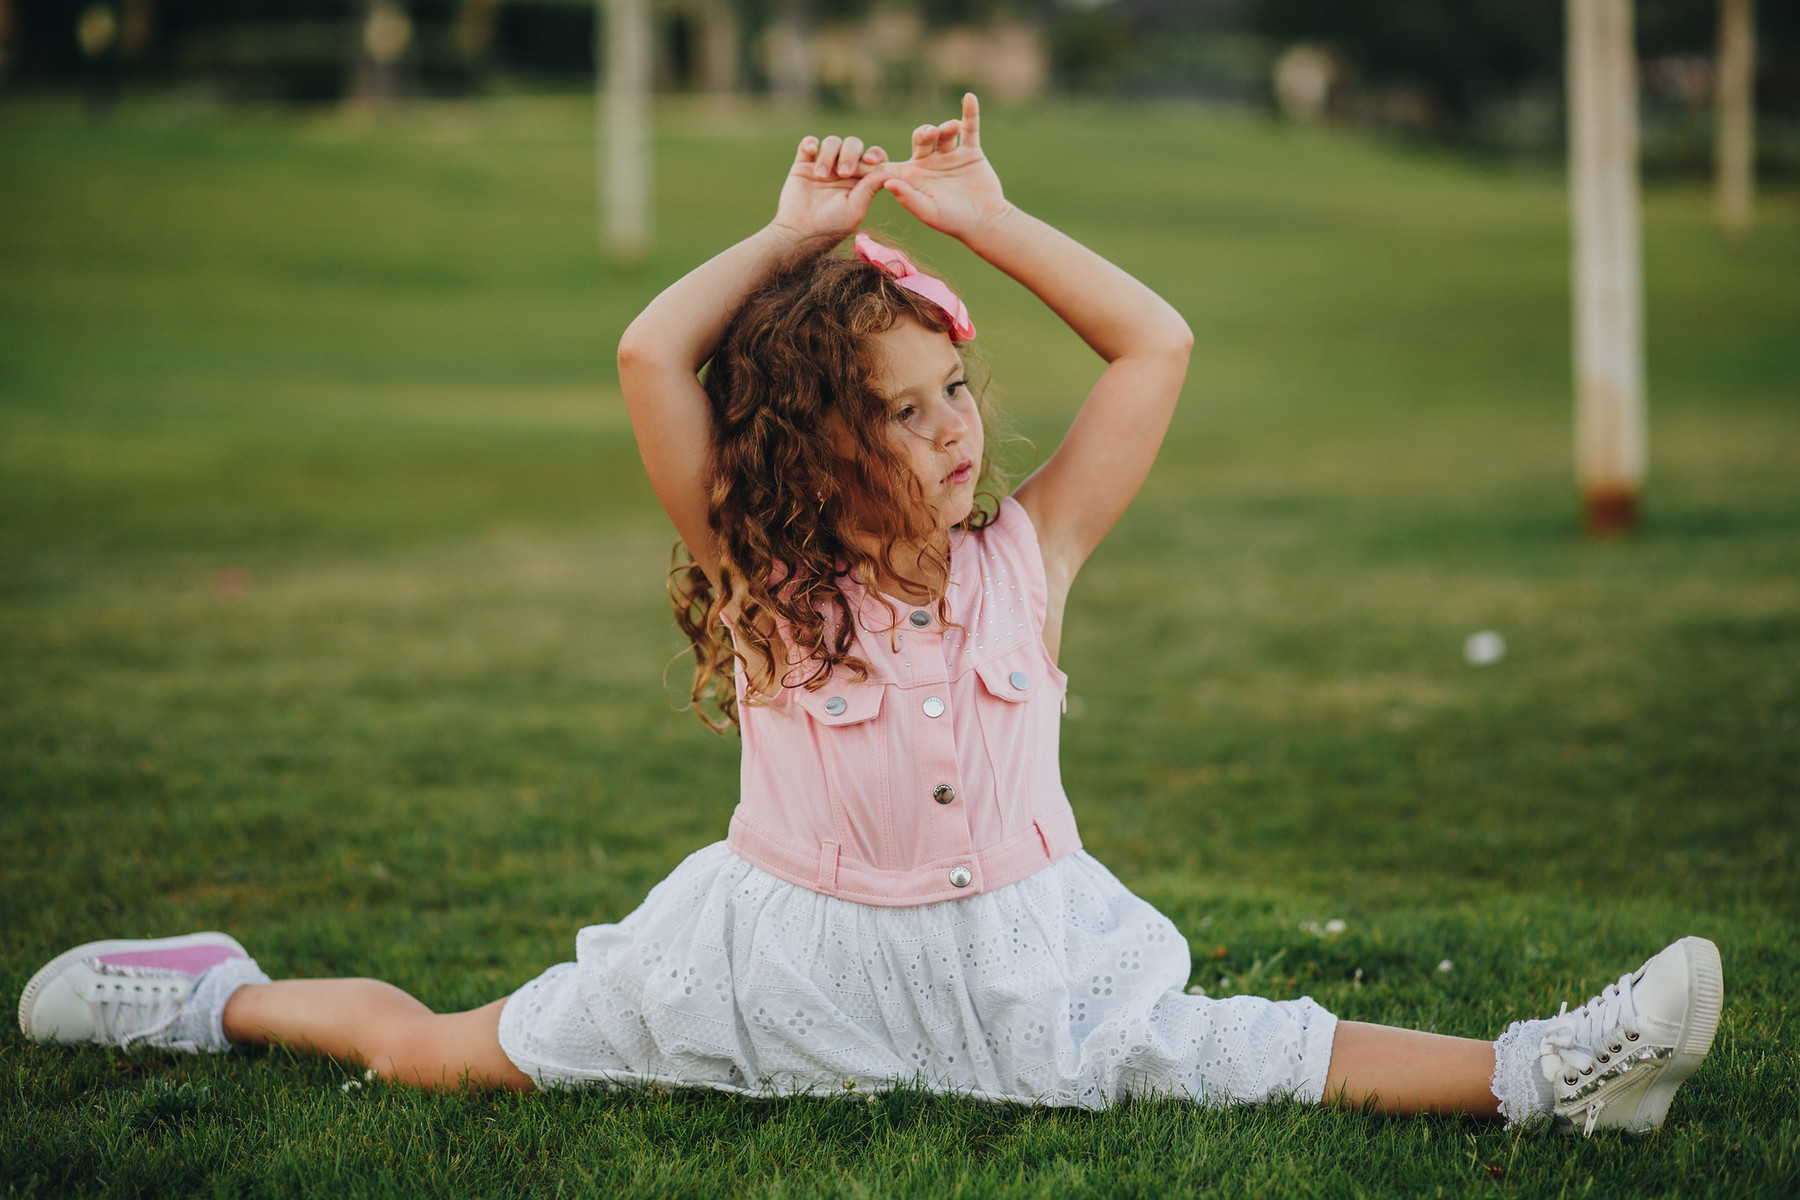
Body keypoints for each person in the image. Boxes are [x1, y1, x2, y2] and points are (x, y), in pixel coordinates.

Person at [18, 96, 1722, 1137]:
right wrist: (788, 239)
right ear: (816, 448)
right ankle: (207, 999)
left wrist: (980, 220)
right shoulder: (773, 580)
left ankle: (1553, 1072)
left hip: (1019, 963)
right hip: (772, 973)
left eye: (959, 391)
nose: (959, 431)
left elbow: (1159, 345)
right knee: (438, 1058)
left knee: (1251, 1054)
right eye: (903, 411)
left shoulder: (1025, 559)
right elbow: (646, 356)